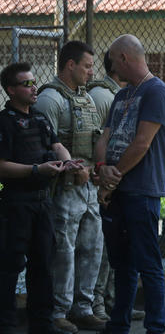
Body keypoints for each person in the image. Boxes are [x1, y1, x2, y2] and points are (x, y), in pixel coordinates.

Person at [95, 34, 165, 333]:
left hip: (140, 191)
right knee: (122, 265)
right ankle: (119, 324)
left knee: (148, 264)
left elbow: (142, 143)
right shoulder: (121, 95)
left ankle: (155, 326)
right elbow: (105, 137)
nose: (112, 67)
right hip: (117, 190)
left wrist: (111, 180)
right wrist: (103, 168)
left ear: (124, 59)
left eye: (113, 61)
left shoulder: (158, 92)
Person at [0, 63, 85, 334]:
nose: (33, 87)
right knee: (9, 268)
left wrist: (68, 163)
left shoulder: (39, 118)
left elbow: (56, 145)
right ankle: (7, 324)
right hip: (16, 203)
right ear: (11, 90)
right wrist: (36, 170)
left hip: (42, 202)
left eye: (34, 82)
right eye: (26, 84)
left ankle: (42, 324)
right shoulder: (4, 122)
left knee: (43, 266)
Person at [33, 41, 107, 333]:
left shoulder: (85, 98)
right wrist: (69, 169)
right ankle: (59, 310)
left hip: (88, 184)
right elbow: (43, 145)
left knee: (92, 247)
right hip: (64, 187)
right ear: (70, 65)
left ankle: (83, 307)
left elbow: (95, 136)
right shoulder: (50, 100)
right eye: (87, 66)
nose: (91, 72)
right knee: (64, 250)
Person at [87, 52, 145, 322]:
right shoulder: (105, 96)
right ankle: (98, 303)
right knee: (103, 249)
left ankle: (114, 300)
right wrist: (104, 175)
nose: (89, 72)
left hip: (116, 181)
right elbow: (101, 140)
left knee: (116, 252)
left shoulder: (126, 94)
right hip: (102, 181)